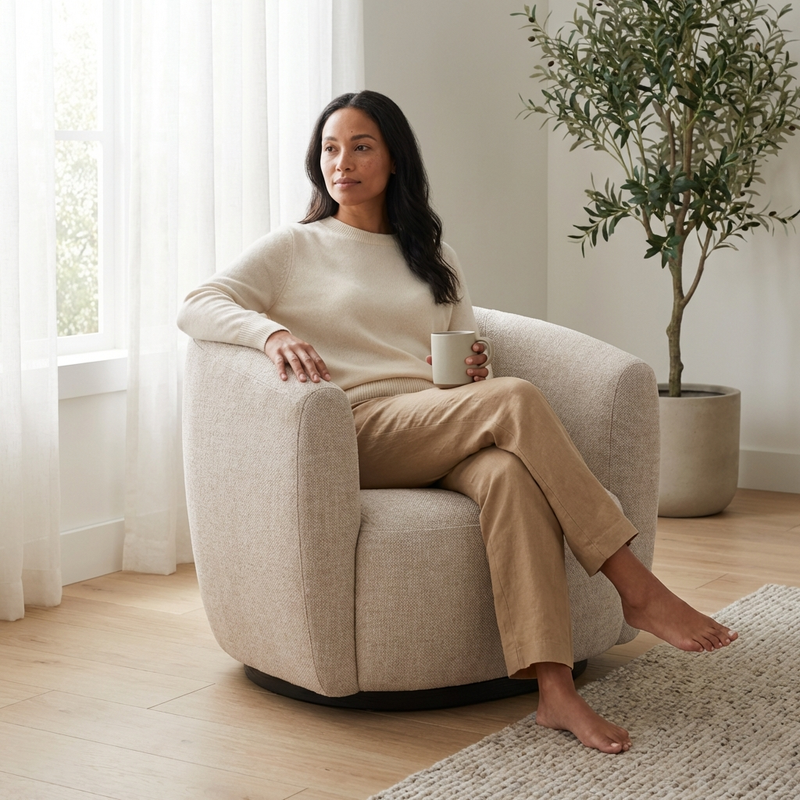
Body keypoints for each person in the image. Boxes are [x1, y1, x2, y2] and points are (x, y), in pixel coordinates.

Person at [177, 90, 738, 754]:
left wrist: (469, 371)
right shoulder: (296, 247)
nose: (342, 162)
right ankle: (632, 583)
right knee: (517, 399)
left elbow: (464, 359)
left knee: (509, 474)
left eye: (361, 146)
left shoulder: (430, 252)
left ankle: (555, 691)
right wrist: (269, 335)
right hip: (354, 430)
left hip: (432, 420)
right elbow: (199, 302)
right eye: (330, 148)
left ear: (393, 160)